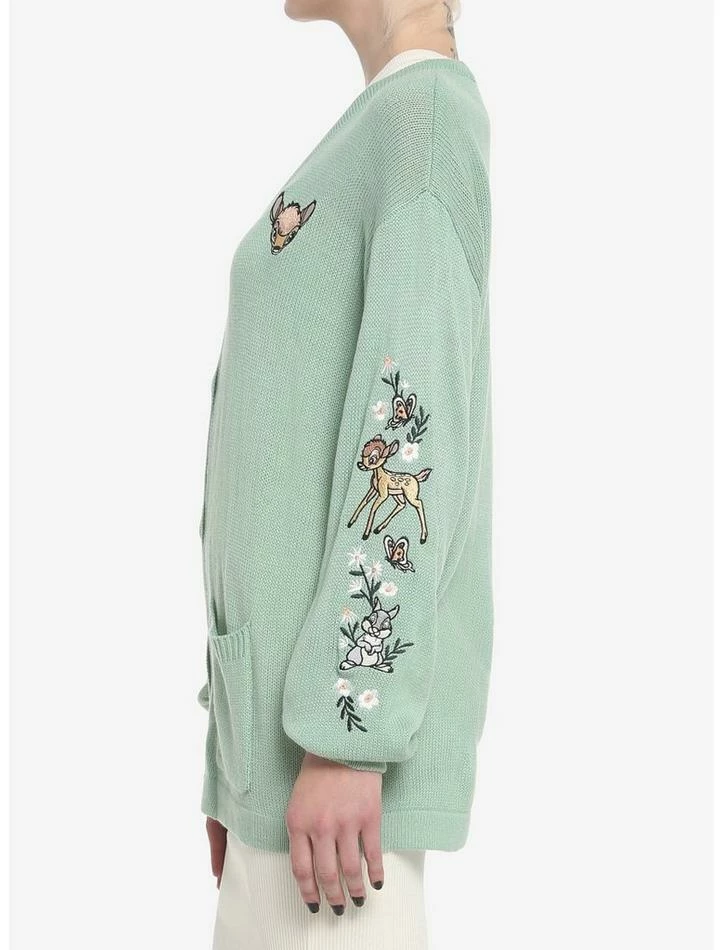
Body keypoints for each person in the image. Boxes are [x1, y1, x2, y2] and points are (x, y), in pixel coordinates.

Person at [196, 1, 493, 946]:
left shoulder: (424, 124)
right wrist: (232, 760)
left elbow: (413, 429)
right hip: (285, 790)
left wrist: (346, 737)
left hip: (333, 799)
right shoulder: (378, 127)